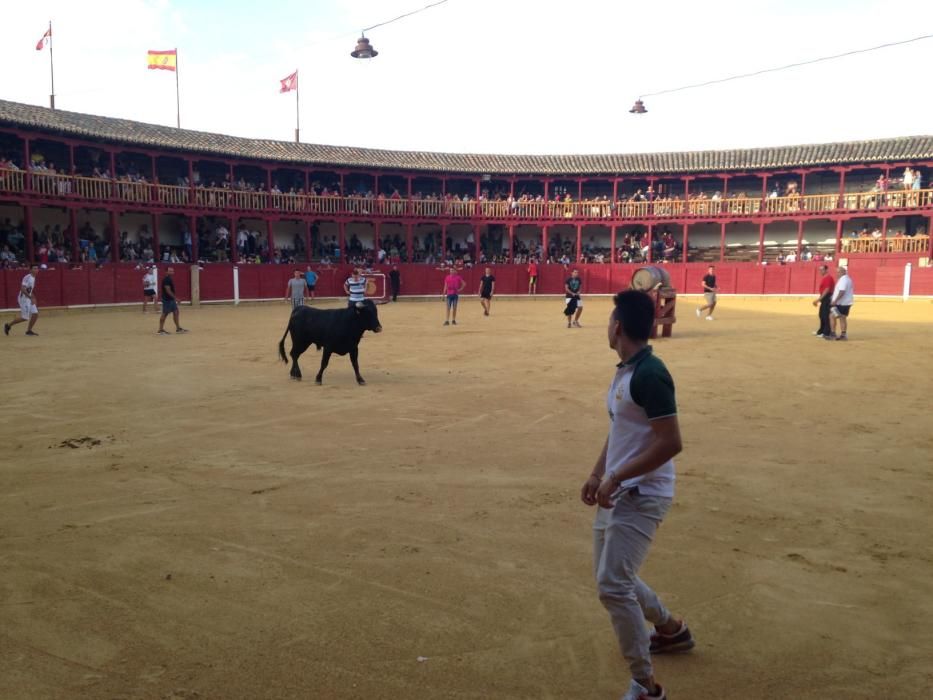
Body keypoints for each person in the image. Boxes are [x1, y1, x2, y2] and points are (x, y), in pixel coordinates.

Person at [581, 290, 693, 700]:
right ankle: (670, 629)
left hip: (643, 493)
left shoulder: (650, 373)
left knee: (612, 585)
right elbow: (621, 431)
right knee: (613, 578)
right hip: (620, 488)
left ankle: (645, 685)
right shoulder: (628, 370)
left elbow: (671, 443)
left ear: (618, 327)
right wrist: (598, 473)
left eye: (609, 320)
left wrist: (617, 476)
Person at [4, 264, 40, 336]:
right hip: (23, 299)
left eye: (37, 268)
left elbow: (29, 290)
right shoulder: (27, 277)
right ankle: (8, 325)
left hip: (28, 298)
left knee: (35, 314)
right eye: (34, 268)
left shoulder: (33, 278)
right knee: (25, 317)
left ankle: (29, 331)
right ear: (30, 270)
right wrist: (30, 298)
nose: (36, 270)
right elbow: (22, 289)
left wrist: (33, 297)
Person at [825, 266, 854, 341]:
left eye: (839, 272)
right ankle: (843, 335)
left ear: (844, 272)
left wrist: (835, 301)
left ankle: (833, 334)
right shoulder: (848, 279)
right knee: (842, 318)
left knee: (831, 316)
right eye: (837, 272)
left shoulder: (843, 280)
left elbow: (842, 291)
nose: (837, 274)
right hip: (847, 303)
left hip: (840, 303)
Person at [157, 267, 187, 335]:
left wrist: (174, 298)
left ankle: (178, 328)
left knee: (176, 312)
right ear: (166, 272)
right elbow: (168, 290)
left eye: (172, 271)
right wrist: (176, 298)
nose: (172, 272)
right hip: (167, 299)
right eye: (170, 271)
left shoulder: (169, 279)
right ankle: (160, 330)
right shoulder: (166, 280)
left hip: (170, 299)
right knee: (165, 314)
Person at [812, 264, 834, 337]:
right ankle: (821, 331)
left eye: (822, 270)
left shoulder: (828, 278)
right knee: (822, 315)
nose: (820, 271)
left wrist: (818, 300)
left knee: (825, 315)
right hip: (824, 297)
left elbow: (827, 290)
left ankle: (826, 333)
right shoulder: (825, 278)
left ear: (826, 270)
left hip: (827, 298)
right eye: (820, 270)